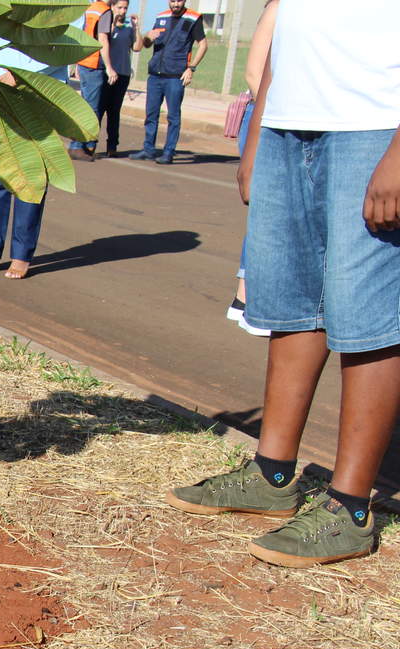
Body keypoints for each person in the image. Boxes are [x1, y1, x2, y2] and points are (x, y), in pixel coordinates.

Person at [166, 0, 400, 568]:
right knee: (294, 302)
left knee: (366, 312)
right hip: (286, 128)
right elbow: (289, 39)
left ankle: (350, 508)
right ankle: (273, 475)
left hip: (375, 128)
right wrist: (256, 138)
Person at [0, 35, 69, 280]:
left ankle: (22, 254)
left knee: (32, 174)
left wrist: (19, 76)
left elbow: (64, 44)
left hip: (37, 90)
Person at [226, 0, 278, 336]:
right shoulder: (281, 7)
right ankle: (245, 298)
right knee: (267, 211)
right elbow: (253, 72)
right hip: (268, 119)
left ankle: (248, 297)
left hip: (284, 120)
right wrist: (279, 112)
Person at [130, 0, 207, 164]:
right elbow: (147, 44)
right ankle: (148, 149)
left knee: (173, 116)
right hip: (155, 75)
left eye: (179, 1)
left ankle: (168, 152)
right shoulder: (161, 17)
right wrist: (147, 38)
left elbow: (203, 45)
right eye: (172, 1)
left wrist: (191, 68)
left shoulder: (193, 18)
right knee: (151, 114)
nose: (175, 4)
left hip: (175, 76)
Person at [69, 0, 114, 162]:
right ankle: (77, 146)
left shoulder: (90, 9)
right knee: (90, 109)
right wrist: (109, 66)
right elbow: (103, 39)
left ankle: (83, 145)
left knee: (87, 105)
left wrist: (77, 62)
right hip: (94, 63)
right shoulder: (104, 11)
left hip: (85, 61)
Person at [96, 0, 141, 158]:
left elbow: (137, 47)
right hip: (107, 73)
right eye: (119, 7)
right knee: (99, 109)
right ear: (112, 7)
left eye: (125, 8)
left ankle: (112, 145)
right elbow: (104, 41)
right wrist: (113, 23)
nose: (122, 11)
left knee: (114, 111)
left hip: (123, 74)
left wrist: (136, 28)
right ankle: (90, 143)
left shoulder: (128, 28)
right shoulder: (106, 26)